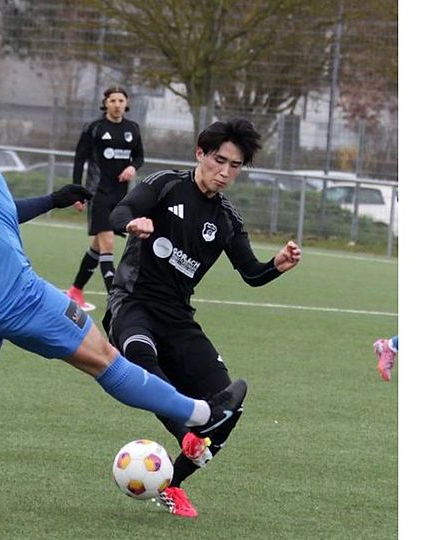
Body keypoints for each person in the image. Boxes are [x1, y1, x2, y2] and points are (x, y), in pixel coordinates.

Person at [0, 82, 248, 520]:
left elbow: (1, 210)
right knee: (104, 357)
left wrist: (54, 201)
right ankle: (201, 413)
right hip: (12, 293)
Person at [102, 118, 303, 518]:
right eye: (219, 160)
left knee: (229, 408)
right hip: (133, 304)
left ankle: (172, 484)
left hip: (178, 318)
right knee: (141, 356)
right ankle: (187, 433)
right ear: (200, 154)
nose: (225, 172)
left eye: (235, 165)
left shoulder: (227, 219)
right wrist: (131, 222)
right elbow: (119, 211)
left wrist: (276, 265)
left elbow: (251, 274)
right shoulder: (165, 186)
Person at [65, 85, 144, 311]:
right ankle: (115, 298)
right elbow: (79, 160)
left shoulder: (133, 129)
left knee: (98, 246)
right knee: (107, 243)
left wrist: (132, 167)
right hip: (97, 193)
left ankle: (75, 290)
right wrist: (77, 192)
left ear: (126, 104)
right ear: (105, 103)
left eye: (121, 100)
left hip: (120, 197)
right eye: (113, 101)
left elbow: (139, 156)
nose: (117, 104)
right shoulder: (94, 127)